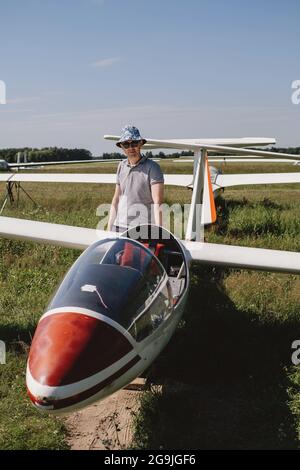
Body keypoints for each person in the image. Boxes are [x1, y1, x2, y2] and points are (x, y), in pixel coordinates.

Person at [107, 125, 164, 232]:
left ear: (140, 144)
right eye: (126, 144)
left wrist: (159, 232)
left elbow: (158, 203)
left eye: (134, 143)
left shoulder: (153, 167)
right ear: (122, 147)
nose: (131, 148)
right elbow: (116, 199)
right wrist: (109, 227)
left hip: (142, 227)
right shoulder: (121, 166)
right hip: (119, 225)